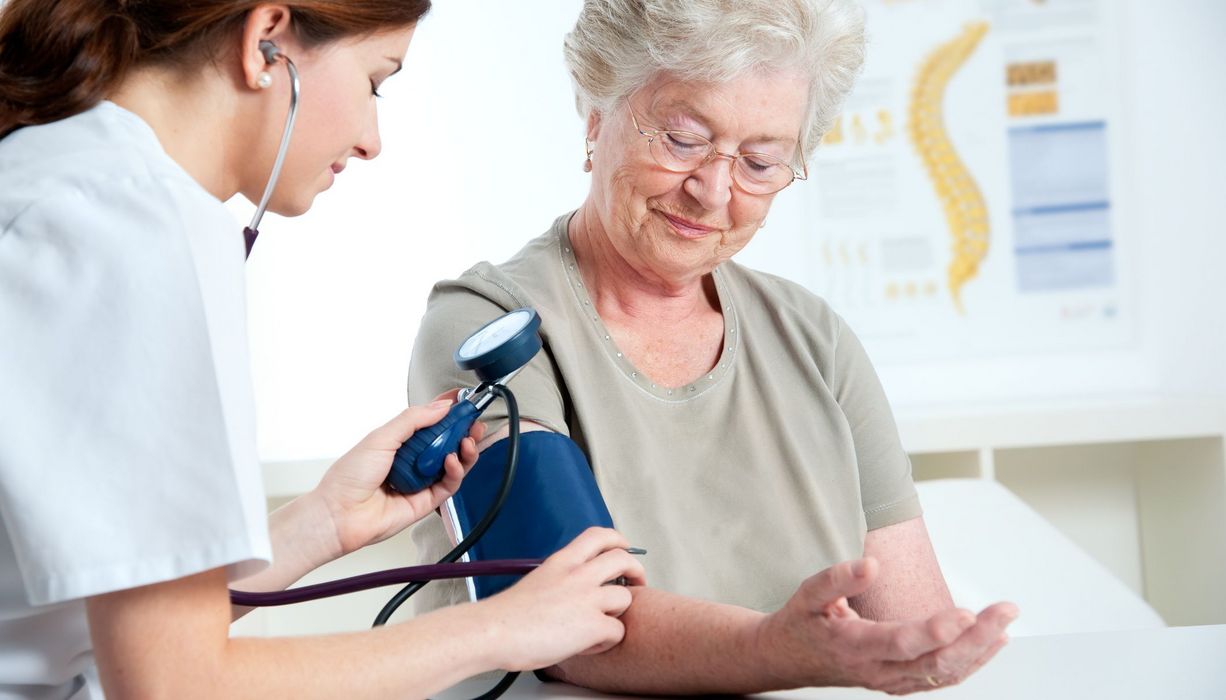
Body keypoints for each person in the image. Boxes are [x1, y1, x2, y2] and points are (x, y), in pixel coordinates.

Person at [0, 2, 644, 698]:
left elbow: (78, 624)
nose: (373, 140)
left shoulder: (61, 181)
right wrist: (505, 626)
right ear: (266, 42)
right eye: (377, 81)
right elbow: (173, 684)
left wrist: (325, 522)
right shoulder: (142, 228)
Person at [406, 0, 1019, 695]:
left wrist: (929, 650)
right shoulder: (489, 326)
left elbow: (913, 632)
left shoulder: (813, 340)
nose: (712, 191)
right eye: (681, 139)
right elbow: (561, 620)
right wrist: (775, 648)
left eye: (760, 162)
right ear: (597, 113)